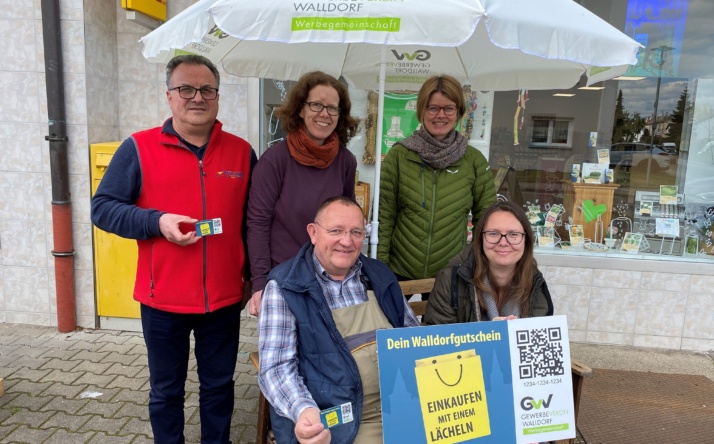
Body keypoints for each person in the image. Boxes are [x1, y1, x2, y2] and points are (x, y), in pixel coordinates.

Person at [91, 54, 257, 444]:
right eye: (186, 89)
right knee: (166, 392)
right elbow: (102, 208)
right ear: (169, 96)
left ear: (218, 96)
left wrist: (251, 275)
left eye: (207, 89)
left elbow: (254, 223)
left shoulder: (241, 153)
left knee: (219, 387)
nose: (197, 97)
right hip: (162, 299)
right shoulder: (138, 148)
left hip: (223, 300)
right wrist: (156, 222)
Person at [258, 196, 420, 444]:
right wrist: (304, 412)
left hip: (397, 406)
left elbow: (413, 339)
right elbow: (276, 368)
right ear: (313, 233)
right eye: (336, 231)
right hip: (336, 421)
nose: (346, 241)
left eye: (356, 232)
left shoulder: (380, 275)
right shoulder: (285, 286)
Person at [247, 71, 360, 316]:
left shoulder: (345, 162)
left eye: (332, 108)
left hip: (330, 277)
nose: (324, 114)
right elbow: (257, 223)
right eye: (316, 105)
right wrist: (259, 283)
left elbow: (348, 223)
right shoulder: (275, 160)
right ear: (300, 109)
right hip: (284, 278)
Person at [378, 74, 496, 299]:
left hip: (450, 274)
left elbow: (487, 221)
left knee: (439, 335)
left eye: (449, 108)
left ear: (459, 113)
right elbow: (384, 218)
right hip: (398, 271)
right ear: (421, 111)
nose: (441, 115)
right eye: (433, 108)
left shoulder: (473, 161)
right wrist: (381, 270)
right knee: (391, 333)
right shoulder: (399, 156)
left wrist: (473, 262)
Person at [423, 200, 553, 325]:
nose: (503, 242)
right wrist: (489, 335)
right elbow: (438, 341)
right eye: (493, 233)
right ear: (481, 239)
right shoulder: (450, 281)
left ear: (526, 241)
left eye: (513, 234)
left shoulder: (536, 284)